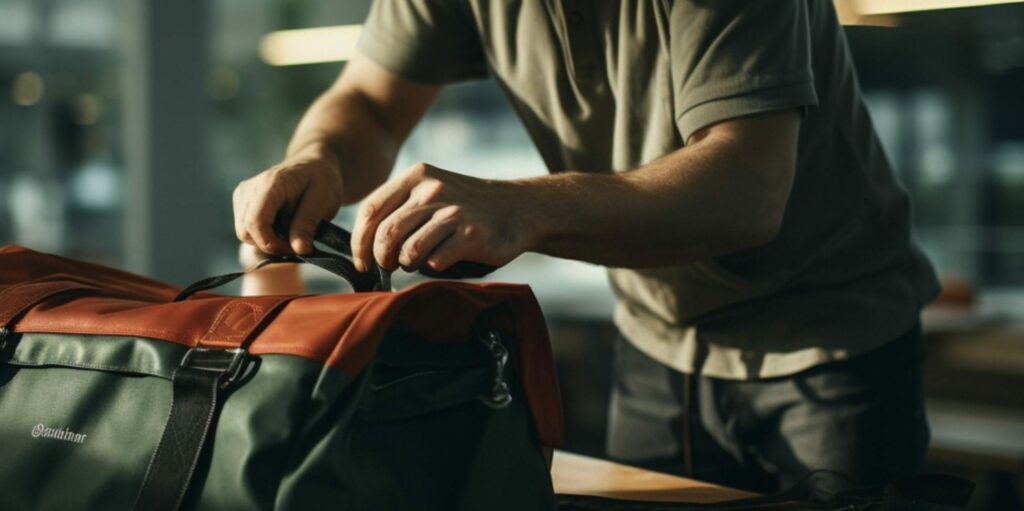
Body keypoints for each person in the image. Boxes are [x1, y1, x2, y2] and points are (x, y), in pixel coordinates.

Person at [232, 0, 939, 494]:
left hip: (833, 344)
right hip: (657, 342)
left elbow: (748, 189)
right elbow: (373, 101)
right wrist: (322, 158)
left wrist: (524, 207)